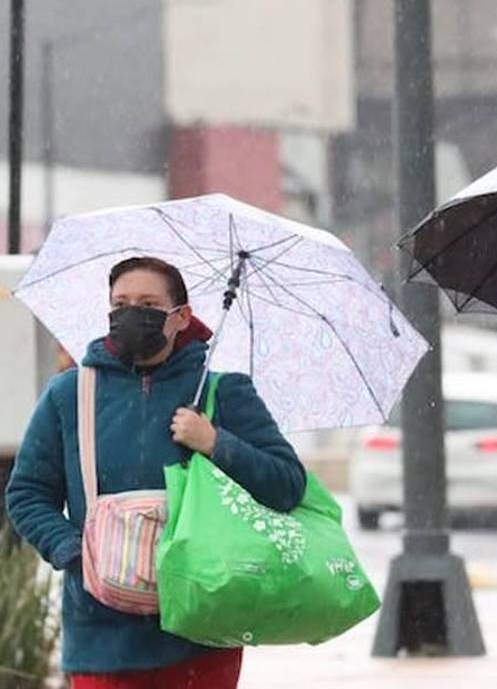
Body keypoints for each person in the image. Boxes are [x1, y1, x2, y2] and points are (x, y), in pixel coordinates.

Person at [5, 256, 307, 689]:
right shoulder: (68, 394)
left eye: (147, 303)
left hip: (201, 626)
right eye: (120, 304)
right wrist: (77, 554)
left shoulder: (225, 392)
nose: (131, 313)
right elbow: (28, 494)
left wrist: (216, 443)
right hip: (100, 631)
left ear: (180, 317)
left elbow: (286, 486)